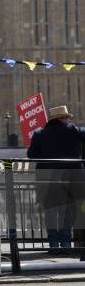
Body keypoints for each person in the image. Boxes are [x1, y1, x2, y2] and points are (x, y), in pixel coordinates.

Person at [28, 105, 85, 250]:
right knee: (68, 211)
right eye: (66, 117)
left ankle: (53, 243)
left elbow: (31, 155)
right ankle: (66, 243)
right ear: (61, 118)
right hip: (72, 179)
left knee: (51, 212)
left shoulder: (39, 134)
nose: (68, 120)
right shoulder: (75, 131)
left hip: (48, 179)